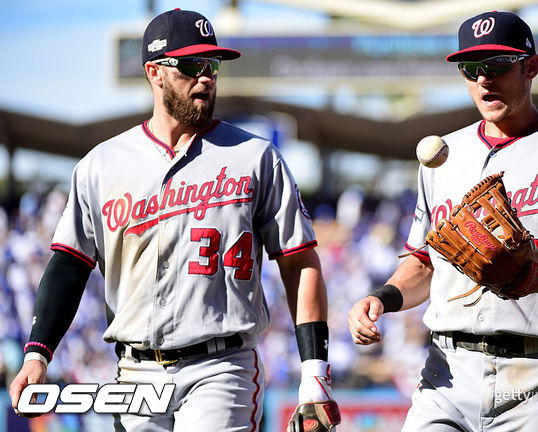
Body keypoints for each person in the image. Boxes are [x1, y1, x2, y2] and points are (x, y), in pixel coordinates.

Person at [9, 8, 338, 431]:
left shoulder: (256, 157)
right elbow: (70, 263)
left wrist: (314, 376)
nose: (206, 77)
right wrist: (38, 354)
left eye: (212, 65)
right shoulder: (101, 164)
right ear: (155, 72)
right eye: (191, 65)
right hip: (134, 372)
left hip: (222, 366)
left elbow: (299, 262)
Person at [348, 10, 538, 432]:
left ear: (531, 67)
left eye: (497, 66)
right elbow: (424, 262)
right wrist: (383, 297)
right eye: (471, 68)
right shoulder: (444, 156)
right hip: (447, 372)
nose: (483, 80)